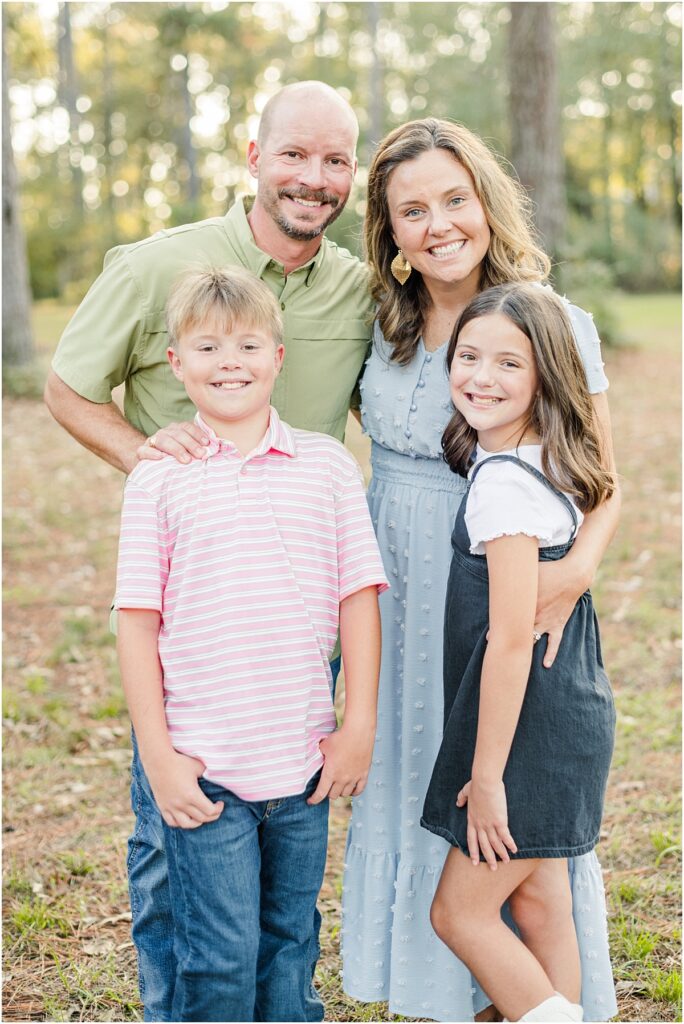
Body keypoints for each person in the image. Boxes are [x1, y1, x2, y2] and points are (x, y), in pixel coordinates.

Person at [44, 81, 373, 1020]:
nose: (313, 179)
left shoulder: (352, 285)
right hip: (197, 608)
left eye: (335, 161)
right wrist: (148, 455)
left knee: (283, 893)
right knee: (175, 846)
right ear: (254, 156)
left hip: (301, 610)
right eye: (295, 155)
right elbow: (69, 389)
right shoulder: (162, 266)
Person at [341, 118, 620, 1022]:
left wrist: (570, 578)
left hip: (503, 595)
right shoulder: (375, 323)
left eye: (455, 199)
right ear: (390, 233)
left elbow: (604, 485)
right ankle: (437, 997)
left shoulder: (543, 319)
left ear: (487, 205)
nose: (439, 224)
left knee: (504, 803)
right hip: (397, 590)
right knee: (420, 777)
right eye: (412, 210)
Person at [115, 264, 388, 1022]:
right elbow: (136, 622)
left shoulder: (327, 468)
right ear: (175, 363)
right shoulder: (159, 479)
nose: (228, 361)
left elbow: (358, 600)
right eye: (206, 347)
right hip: (207, 774)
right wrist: (160, 756)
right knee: (220, 958)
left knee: (290, 943)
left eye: (246, 345)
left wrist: (357, 724)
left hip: (303, 766)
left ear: (278, 356)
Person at [420, 282, 616, 1024]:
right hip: (564, 714)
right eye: (468, 356)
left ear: (545, 378)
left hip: (525, 734)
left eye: (510, 363)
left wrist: (487, 776)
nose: (480, 376)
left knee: (460, 914)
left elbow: (509, 639)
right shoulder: (540, 460)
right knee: (538, 902)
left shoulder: (505, 486)